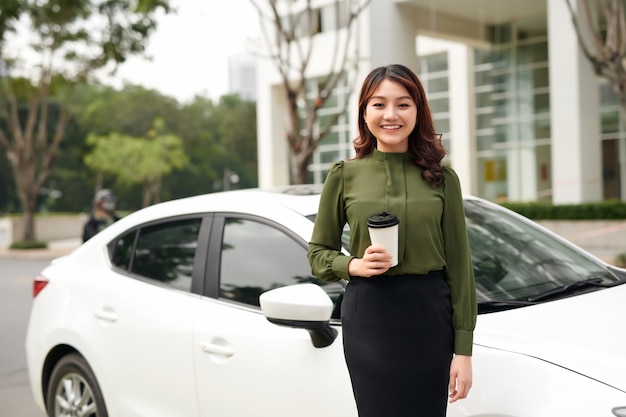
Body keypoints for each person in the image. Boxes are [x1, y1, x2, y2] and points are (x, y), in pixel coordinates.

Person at [307, 64, 477, 417]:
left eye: (403, 104)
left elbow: (460, 268)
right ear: (364, 113)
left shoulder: (443, 178)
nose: (391, 114)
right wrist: (352, 265)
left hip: (430, 318)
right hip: (370, 318)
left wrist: (464, 350)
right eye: (379, 104)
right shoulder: (343, 175)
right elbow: (317, 253)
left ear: (418, 110)